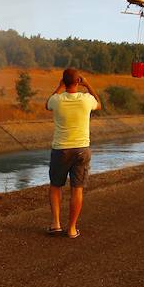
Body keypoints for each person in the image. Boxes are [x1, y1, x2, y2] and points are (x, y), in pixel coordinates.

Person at [45, 67, 102, 238]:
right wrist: (88, 85)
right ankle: (71, 229)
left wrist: (59, 87)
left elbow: (47, 104)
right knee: (77, 189)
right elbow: (99, 105)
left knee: (56, 186)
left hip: (60, 149)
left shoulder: (57, 99)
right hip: (81, 149)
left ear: (64, 81)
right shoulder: (86, 100)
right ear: (78, 81)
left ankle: (56, 224)